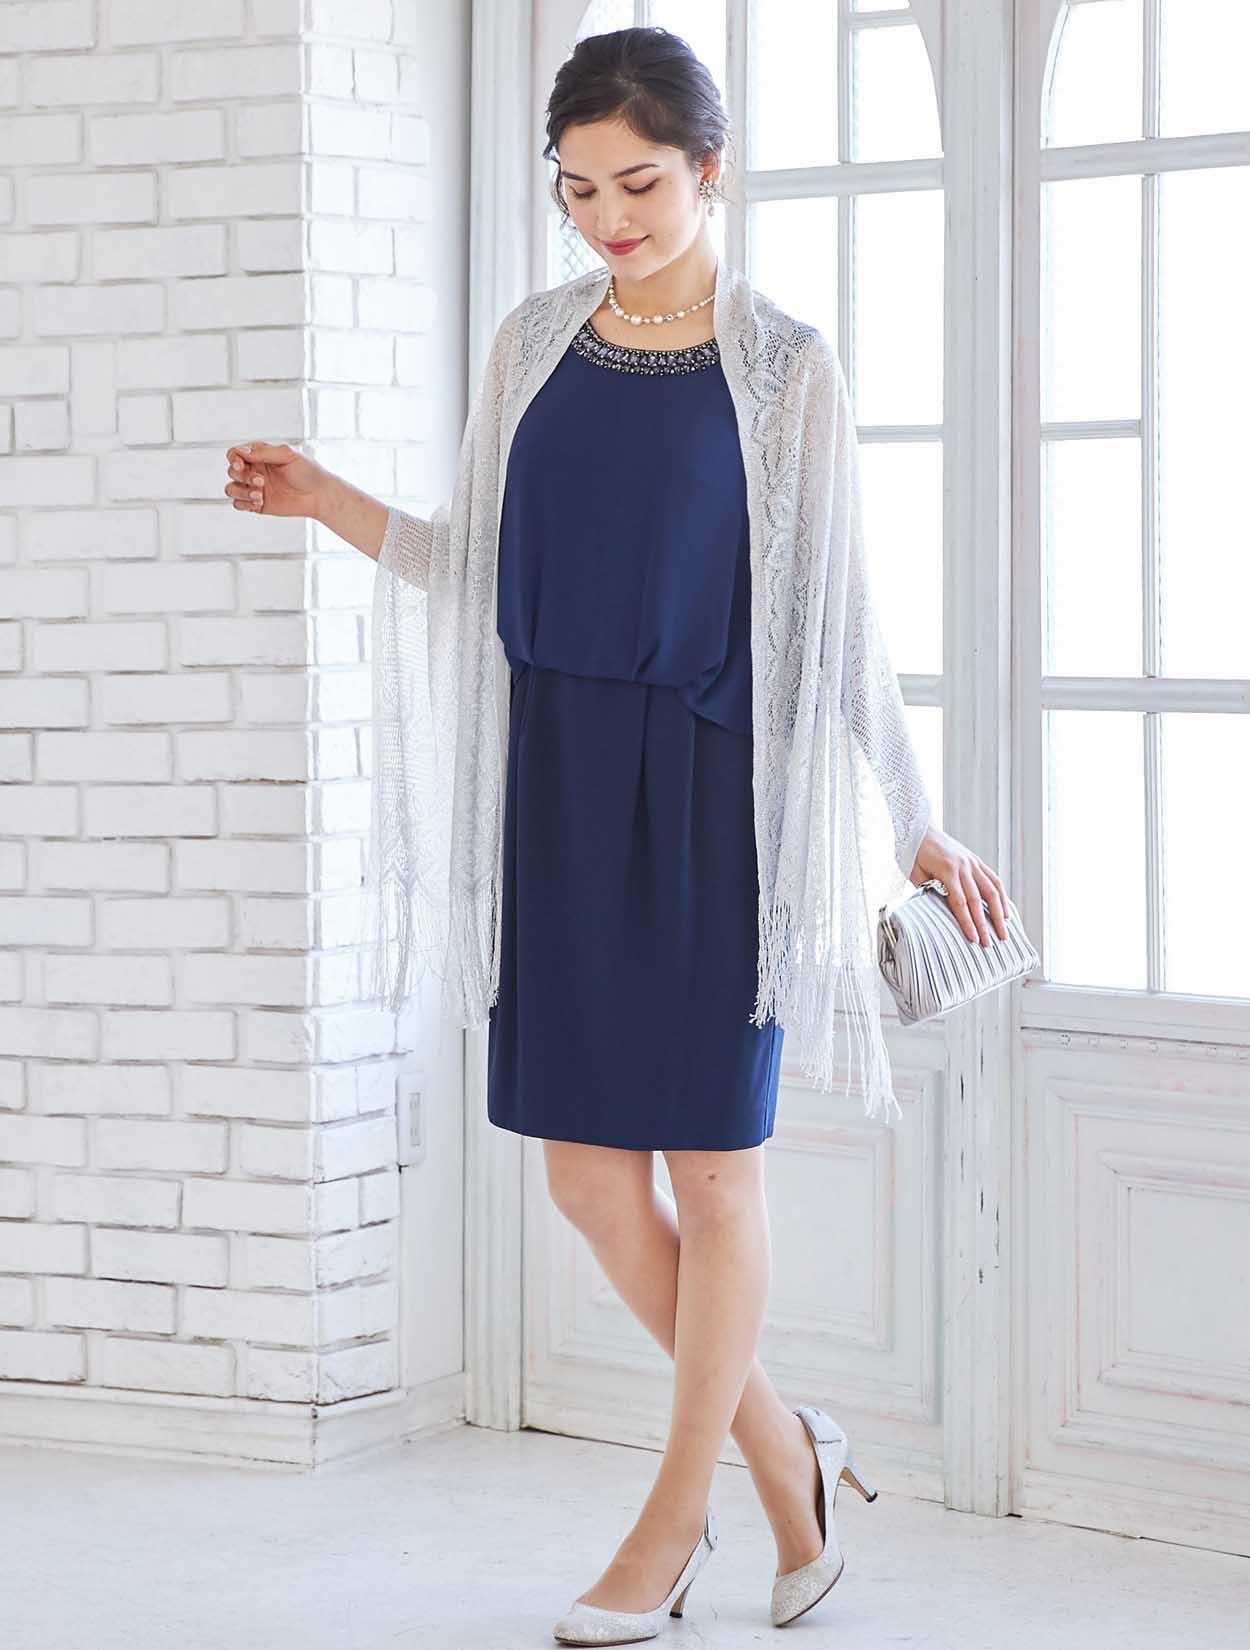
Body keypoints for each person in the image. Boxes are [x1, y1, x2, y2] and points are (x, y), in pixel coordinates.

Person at [222, 26, 1009, 1646]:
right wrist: (325, 499)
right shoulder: (529, 344)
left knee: (712, 1175)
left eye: (638, 184)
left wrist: (916, 820)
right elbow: (478, 568)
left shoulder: (786, 367)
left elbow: (837, 618)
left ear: (710, 169)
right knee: (588, 1182)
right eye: (576, 190)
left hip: (715, 800)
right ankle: (788, 1456)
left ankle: (670, 1521)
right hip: (561, 792)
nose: (608, 219)